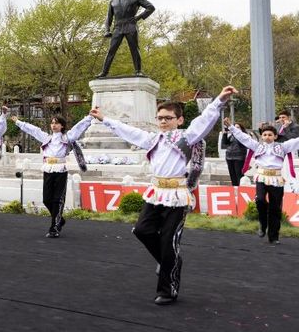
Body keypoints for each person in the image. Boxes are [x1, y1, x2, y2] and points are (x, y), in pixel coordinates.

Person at [89, 86, 237, 305]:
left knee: (169, 242)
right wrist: (104, 119)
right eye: (159, 118)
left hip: (177, 196)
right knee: (142, 230)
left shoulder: (187, 137)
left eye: (168, 118)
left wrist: (220, 100)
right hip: (156, 193)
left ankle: (168, 291)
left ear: (179, 120)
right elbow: (128, 131)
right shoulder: (152, 139)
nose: (163, 121)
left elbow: (204, 119)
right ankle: (169, 260)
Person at [12, 112, 91, 234]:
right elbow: (33, 130)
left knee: (58, 199)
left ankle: (54, 227)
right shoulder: (46, 138)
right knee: (47, 199)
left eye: (57, 123)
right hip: (48, 168)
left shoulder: (67, 137)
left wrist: (89, 117)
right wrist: (18, 122)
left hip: (60, 170)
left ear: (62, 126)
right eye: (52, 123)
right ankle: (60, 219)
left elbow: (78, 128)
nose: (54, 125)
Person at [225, 117, 299, 245]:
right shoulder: (257, 146)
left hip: (276, 179)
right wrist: (231, 127)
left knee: (275, 208)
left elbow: (296, 141)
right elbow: (244, 138)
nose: (267, 137)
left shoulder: (283, 147)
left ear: (275, 136)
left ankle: (273, 236)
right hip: (261, 177)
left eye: (270, 134)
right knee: (259, 200)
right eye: (264, 135)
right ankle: (262, 224)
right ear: (261, 136)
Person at [96, 0, 155, 78]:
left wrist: (138, 17)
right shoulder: (113, 2)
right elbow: (109, 17)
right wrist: (107, 30)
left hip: (130, 25)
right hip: (118, 27)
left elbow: (151, 7)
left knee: (134, 49)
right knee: (111, 50)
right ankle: (104, 72)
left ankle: (138, 70)